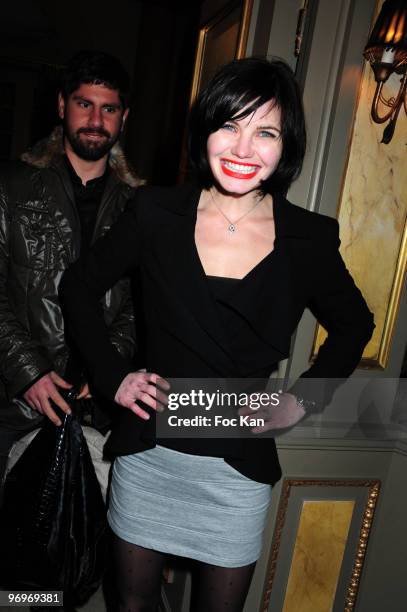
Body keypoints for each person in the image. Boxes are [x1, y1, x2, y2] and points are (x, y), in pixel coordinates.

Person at [60, 57, 375, 612]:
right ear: (205, 129)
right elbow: (78, 289)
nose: (243, 148)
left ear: (286, 147)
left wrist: (301, 400)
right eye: (229, 124)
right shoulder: (156, 211)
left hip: (236, 465)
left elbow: (356, 326)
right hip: (150, 449)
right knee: (132, 604)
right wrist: (113, 378)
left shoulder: (308, 238)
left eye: (266, 132)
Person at [0, 49, 141, 496]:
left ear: (123, 117)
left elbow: (144, 303)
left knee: (87, 555)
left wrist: (103, 365)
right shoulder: (11, 187)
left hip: (100, 411)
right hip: (14, 404)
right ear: (62, 107)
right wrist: (30, 373)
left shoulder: (142, 207)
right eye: (84, 104)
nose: (96, 119)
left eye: (109, 108)